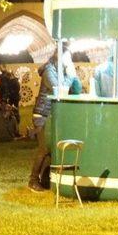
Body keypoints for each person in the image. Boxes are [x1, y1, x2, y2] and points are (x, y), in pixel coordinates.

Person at [28, 47, 81, 192]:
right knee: (44, 149)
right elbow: (59, 90)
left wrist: (73, 75)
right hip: (42, 115)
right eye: (68, 58)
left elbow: (77, 90)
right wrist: (70, 75)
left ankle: (45, 180)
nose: (69, 61)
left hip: (50, 115)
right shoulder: (49, 71)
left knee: (50, 149)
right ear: (60, 56)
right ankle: (33, 180)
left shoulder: (59, 70)